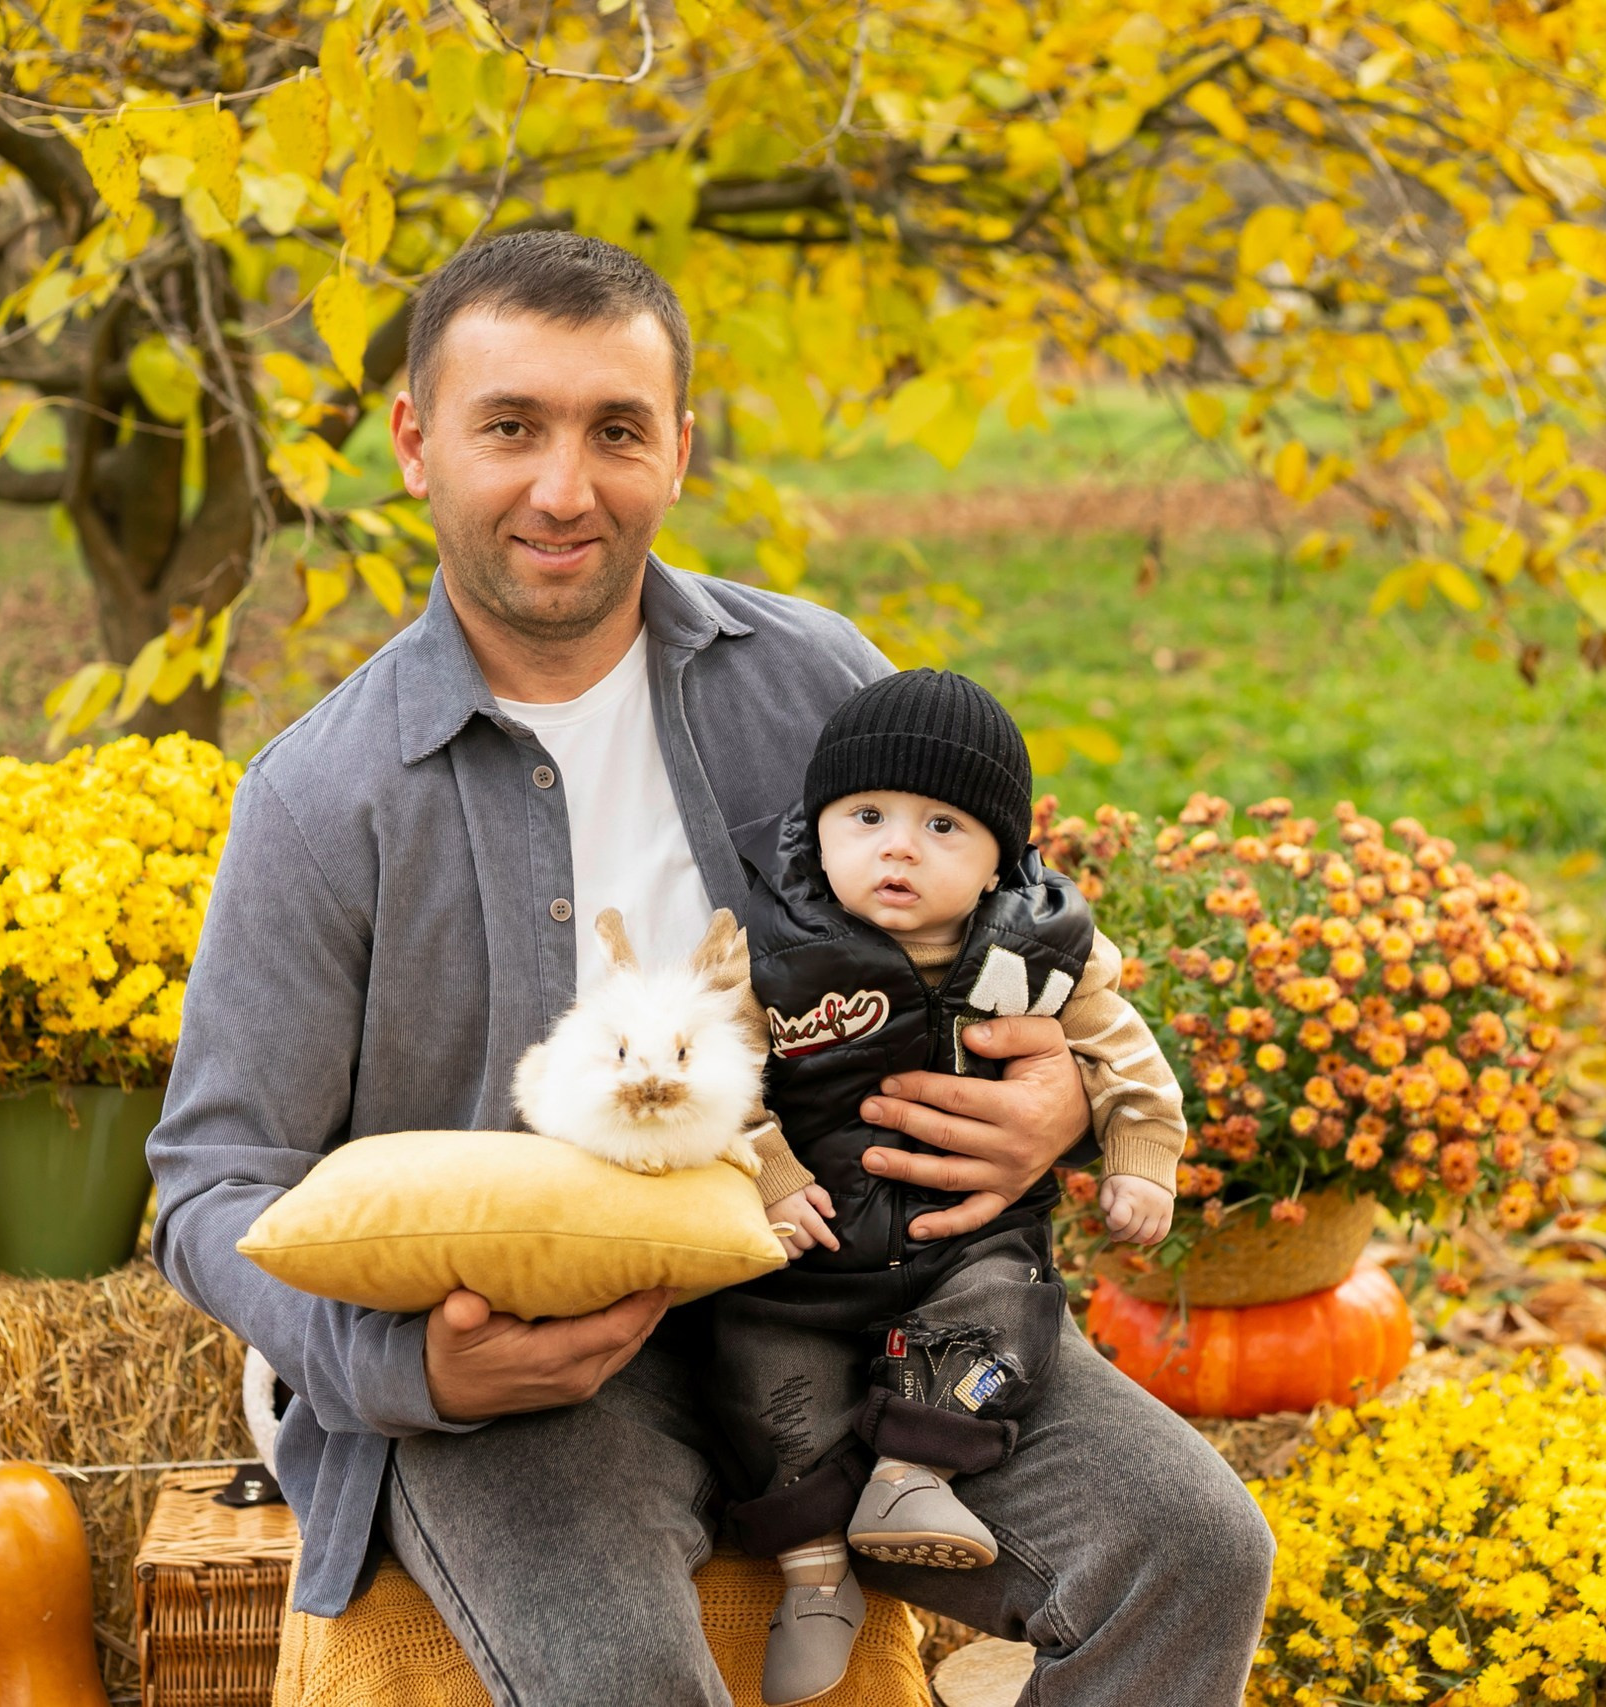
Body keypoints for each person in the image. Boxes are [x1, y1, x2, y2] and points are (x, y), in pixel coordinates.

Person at [147, 229, 1275, 1707]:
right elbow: (212, 1182)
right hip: (538, 1380)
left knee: (1193, 1551)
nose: (566, 488)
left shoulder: (819, 681)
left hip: (870, 1300)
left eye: (617, 430)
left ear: (680, 447)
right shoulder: (321, 797)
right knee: (621, 1670)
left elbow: (1018, 923)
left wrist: (1060, 1100)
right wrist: (412, 1372)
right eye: (510, 427)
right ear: (416, 445)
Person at [713, 666, 1188, 1705]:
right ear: (816, 831)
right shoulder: (773, 950)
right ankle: (815, 1579)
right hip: (809, 1255)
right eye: (867, 818)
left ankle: (912, 1477)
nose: (898, 847)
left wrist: (1139, 1152)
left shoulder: (1044, 956)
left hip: (964, 1244)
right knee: (761, 1379)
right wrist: (772, 1173)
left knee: (1008, 1311)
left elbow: (1122, 1054)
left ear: (997, 863)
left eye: (943, 828)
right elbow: (719, 1072)